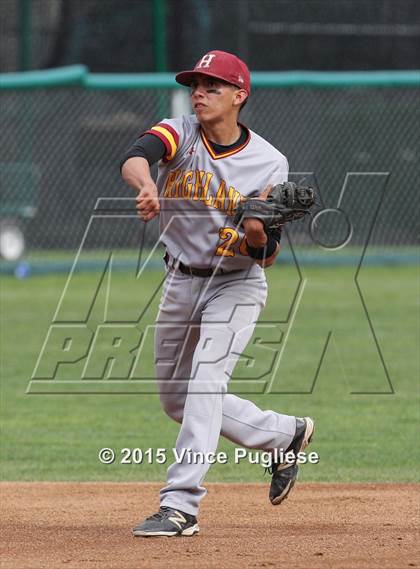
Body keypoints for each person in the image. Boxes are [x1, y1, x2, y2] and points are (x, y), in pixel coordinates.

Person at [120, 50, 314, 538]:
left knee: (206, 383)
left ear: (239, 96)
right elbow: (138, 155)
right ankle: (284, 434)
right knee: (175, 400)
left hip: (235, 284)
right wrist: (146, 185)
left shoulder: (270, 162)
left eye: (212, 86)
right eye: (196, 85)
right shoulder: (181, 133)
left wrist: (255, 231)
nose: (199, 93)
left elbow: (266, 256)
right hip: (180, 280)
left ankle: (180, 505)